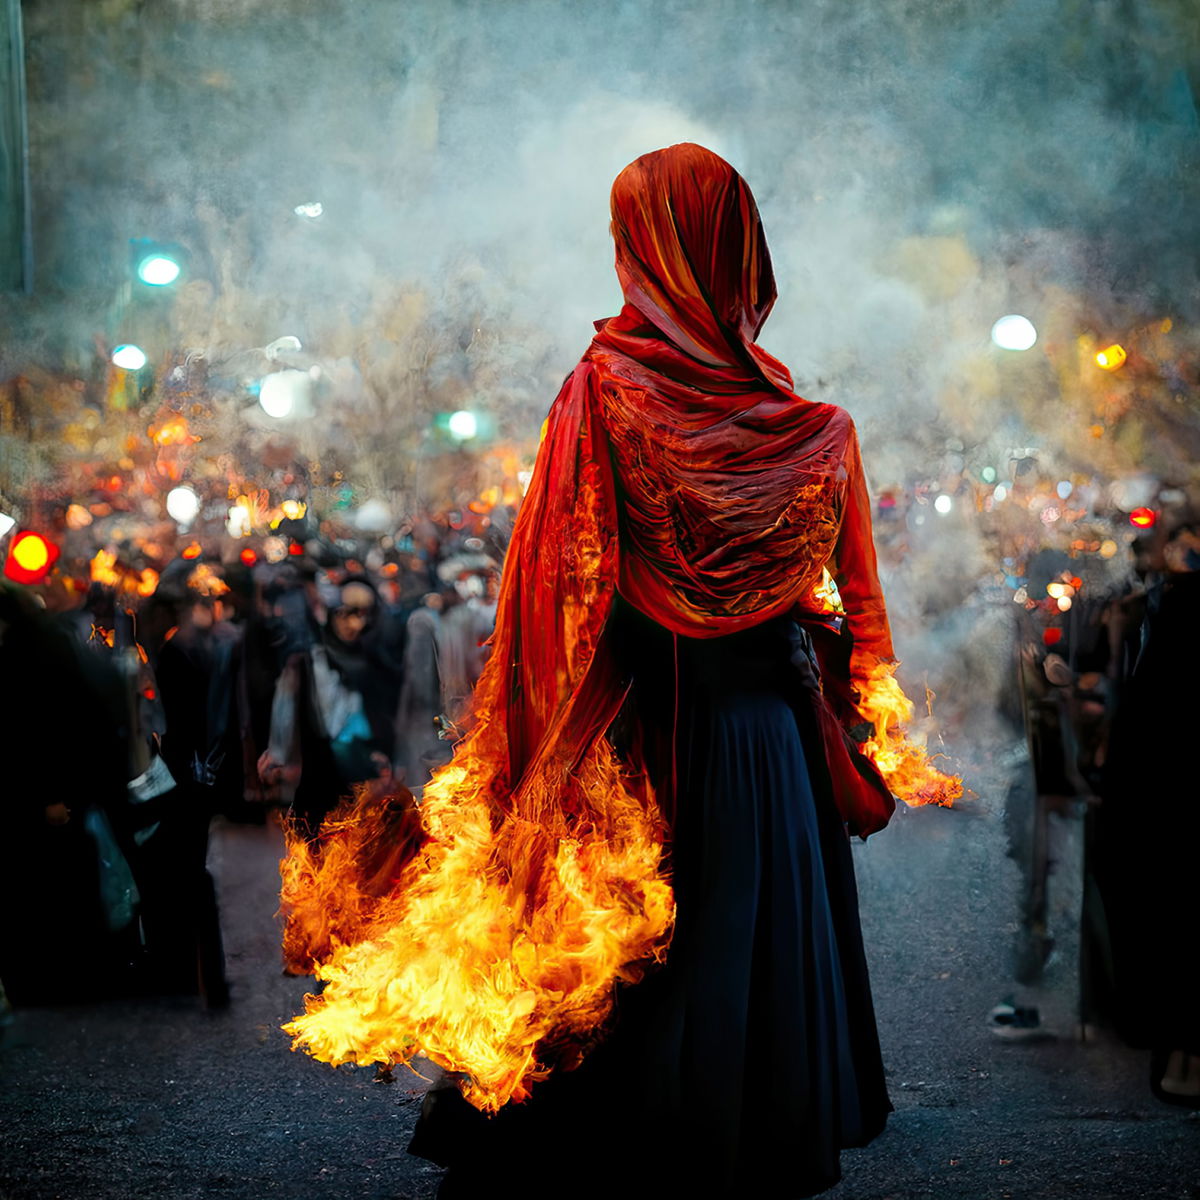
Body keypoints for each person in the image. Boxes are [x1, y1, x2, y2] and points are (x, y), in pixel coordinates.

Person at [284, 144, 944, 1198]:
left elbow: (559, 594)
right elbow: (855, 613)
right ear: (744, 252)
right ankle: (749, 1140)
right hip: (766, 741)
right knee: (744, 938)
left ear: (643, 249)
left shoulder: (602, 394)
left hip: (640, 733)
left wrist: (530, 769)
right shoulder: (820, 434)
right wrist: (854, 724)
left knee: (638, 955)